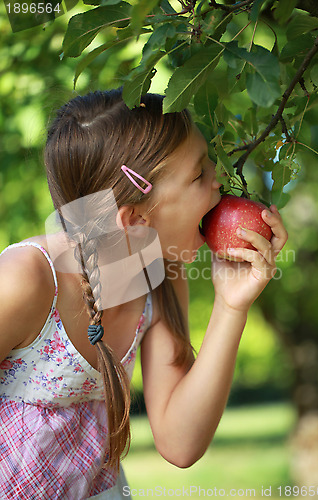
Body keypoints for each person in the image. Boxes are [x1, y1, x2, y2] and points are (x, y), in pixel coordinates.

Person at [0, 88, 288, 499]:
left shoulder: (163, 276)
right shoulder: (25, 281)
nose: (218, 180)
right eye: (197, 175)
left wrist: (230, 305)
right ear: (134, 219)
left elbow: (180, 442)